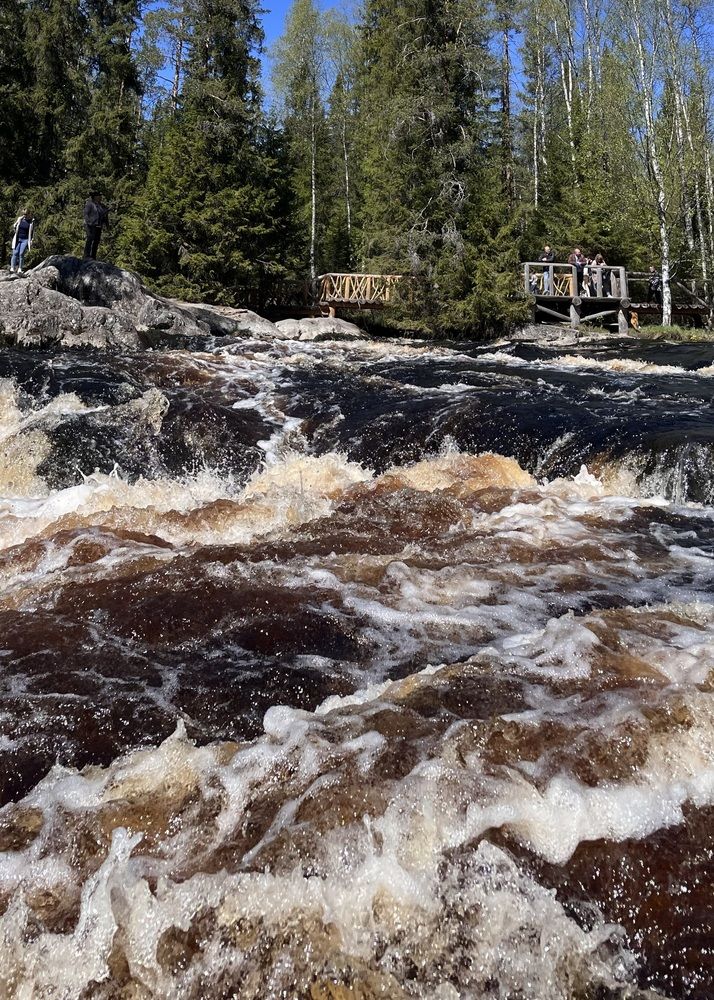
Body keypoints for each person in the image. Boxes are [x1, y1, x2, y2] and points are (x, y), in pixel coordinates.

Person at [83, 191, 110, 259]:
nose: (100, 197)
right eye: (99, 196)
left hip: (98, 225)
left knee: (96, 241)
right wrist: (88, 222)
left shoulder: (102, 206)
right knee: (90, 239)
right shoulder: (90, 204)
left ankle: (93, 256)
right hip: (90, 225)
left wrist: (107, 226)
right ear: (95, 197)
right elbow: (86, 214)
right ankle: (86, 255)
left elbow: (105, 216)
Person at [10, 209, 35, 273]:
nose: (24, 216)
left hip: (25, 239)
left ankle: (20, 268)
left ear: (29, 214)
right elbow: (14, 226)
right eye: (23, 214)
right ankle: (12, 268)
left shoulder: (31, 222)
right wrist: (18, 220)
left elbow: (32, 232)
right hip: (17, 239)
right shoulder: (20, 219)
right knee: (15, 253)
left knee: (21, 254)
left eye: (26, 214)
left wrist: (32, 240)